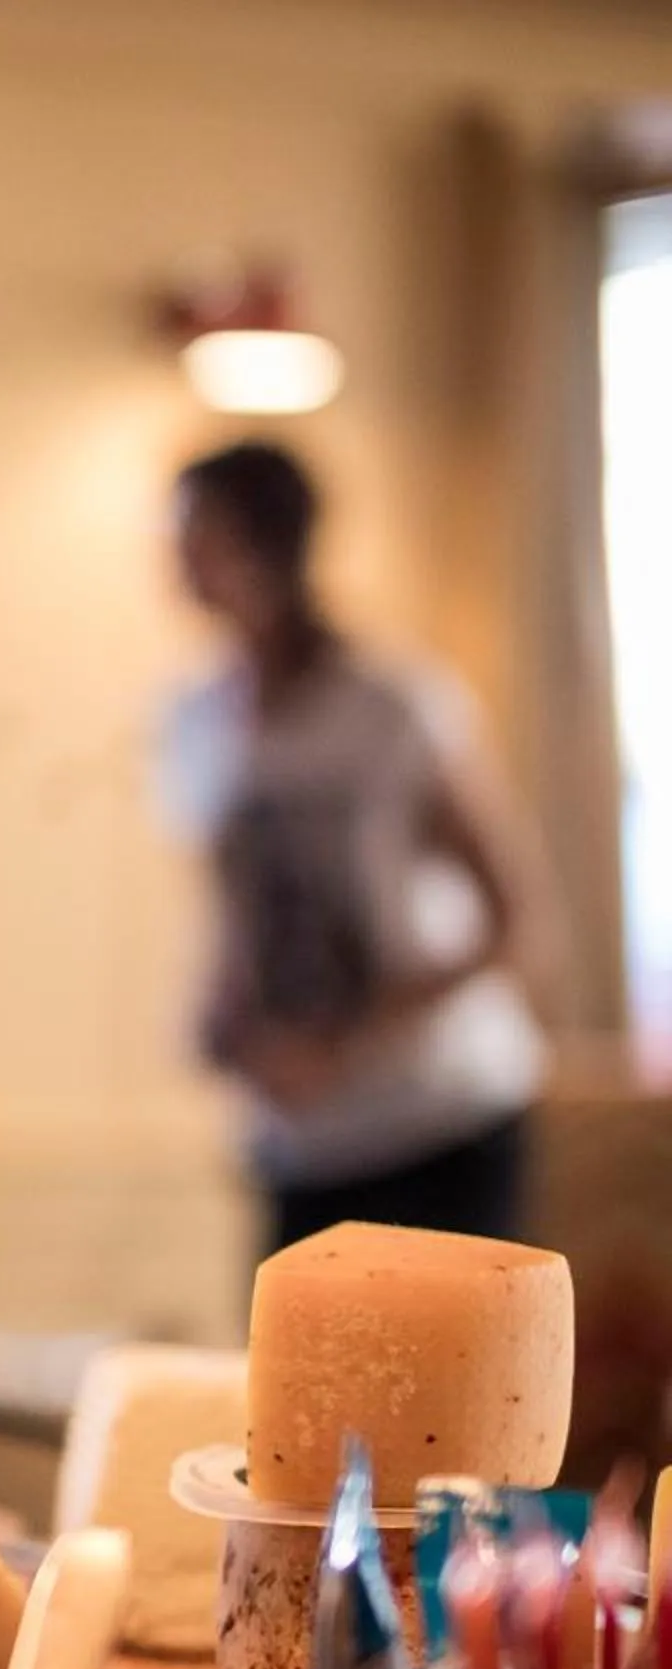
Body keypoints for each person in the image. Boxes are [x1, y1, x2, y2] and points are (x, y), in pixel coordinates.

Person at [157, 440, 553, 1251]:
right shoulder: (190, 721)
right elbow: (235, 912)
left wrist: (348, 1041)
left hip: (438, 1123)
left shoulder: (395, 708)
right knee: (297, 1376)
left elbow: (520, 917)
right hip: (301, 1142)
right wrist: (224, 1019)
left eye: (198, 534)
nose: (176, 561)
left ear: (271, 543)